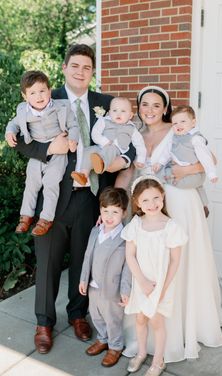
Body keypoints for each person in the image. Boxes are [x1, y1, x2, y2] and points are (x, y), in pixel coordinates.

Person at [13, 44, 135, 354]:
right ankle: (44, 322)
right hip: (53, 199)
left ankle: (78, 315)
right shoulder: (44, 97)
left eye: (87, 67)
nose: (81, 71)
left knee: (84, 260)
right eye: (75, 66)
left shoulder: (106, 103)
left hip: (92, 197)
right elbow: (23, 142)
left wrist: (119, 162)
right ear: (65, 68)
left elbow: (130, 142)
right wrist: (48, 149)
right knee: (48, 263)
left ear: (93, 72)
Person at [117, 85, 222, 363]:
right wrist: (117, 204)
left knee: (180, 262)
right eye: (144, 104)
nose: (149, 110)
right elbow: (127, 170)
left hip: (180, 201)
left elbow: (210, 160)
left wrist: (185, 169)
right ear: (138, 106)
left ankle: (185, 322)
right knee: (151, 264)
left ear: (166, 108)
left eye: (156, 105)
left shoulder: (178, 129)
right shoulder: (133, 133)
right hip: (149, 207)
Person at [122, 175, 187, 376]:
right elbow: (130, 256)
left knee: (156, 321)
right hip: (142, 283)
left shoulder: (171, 227)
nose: (152, 204)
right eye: (145, 200)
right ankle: (141, 352)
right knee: (140, 319)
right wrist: (142, 282)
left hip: (161, 285)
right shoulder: (136, 224)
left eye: (156, 198)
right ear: (137, 203)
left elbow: (176, 261)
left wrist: (161, 289)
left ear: (163, 196)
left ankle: (159, 361)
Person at [5, 70, 79, 236]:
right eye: (32, 93)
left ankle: (46, 219)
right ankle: (26, 216)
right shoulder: (23, 111)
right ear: (25, 96)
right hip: (38, 153)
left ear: (49, 91)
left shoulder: (63, 107)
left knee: (51, 182)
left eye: (42, 91)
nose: (38, 96)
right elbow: (13, 124)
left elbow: (74, 125)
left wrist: (73, 139)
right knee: (31, 183)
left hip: (59, 153)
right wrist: (9, 133)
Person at [79, 187, 131, 367]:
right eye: (105, 210)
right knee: (96, 315)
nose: (109, 216)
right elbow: (87, 257)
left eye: (115, 212)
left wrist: (125, 290)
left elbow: (128, 268)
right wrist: (84, 279)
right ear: (100, 210)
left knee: (112, 318)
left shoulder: (125, 238)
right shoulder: (96, 232)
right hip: (93, 286)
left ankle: (115, 346)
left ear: (124, 213)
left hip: (112, 288)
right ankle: (102, 339)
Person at [152, 105, 217, 215]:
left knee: (161, 174)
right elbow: (167, 153)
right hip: (194, 178)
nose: (178, 125)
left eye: (183, 121)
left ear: (193, 122)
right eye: (175, 123)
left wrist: (211, 174)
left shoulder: (196, 139)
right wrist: (160, 163)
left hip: (193, 176)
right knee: (197, 186)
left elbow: (206, 158)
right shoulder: (175, 137)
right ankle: (203, 205)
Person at [71, 96, 146, 186]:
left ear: (130, 115)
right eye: (114, 111)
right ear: (109, 113)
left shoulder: (132, 129)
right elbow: (95, 133)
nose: (118, 114)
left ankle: (101, 164)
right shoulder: (104, 121)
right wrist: (104, 141)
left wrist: (141, 159)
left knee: (111, 149)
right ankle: (83, 174)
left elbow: (140, 144)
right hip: (101, 147)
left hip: (117, 151)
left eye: (123, 111)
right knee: (89, 151)